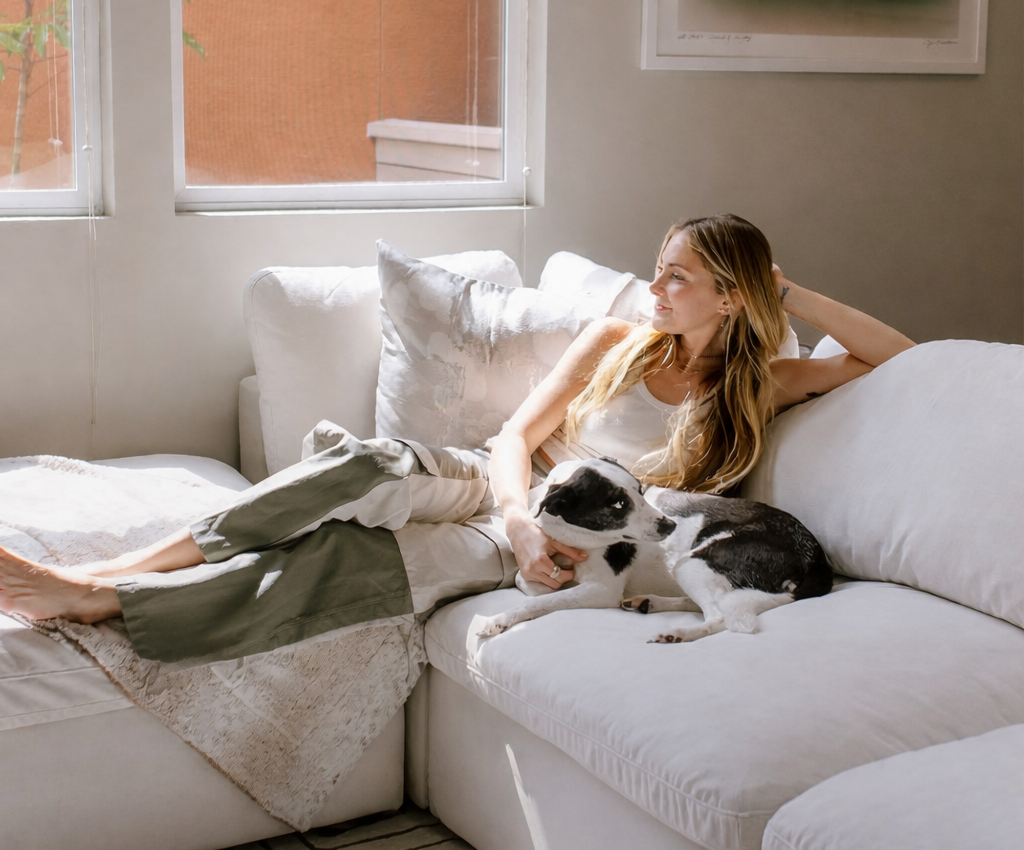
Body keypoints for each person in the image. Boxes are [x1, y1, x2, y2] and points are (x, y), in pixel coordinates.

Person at [0, 214, 914, 657]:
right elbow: (518, 434)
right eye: (657, 268)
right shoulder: (618, 340)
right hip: (502, 488)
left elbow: (901, 355)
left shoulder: (760, 384)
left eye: (677, 276)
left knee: (343, 567)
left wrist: (786, 292)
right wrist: (517, 521)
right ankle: (112, 570)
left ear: (728, 293)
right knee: (361, 467)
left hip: (587, 540)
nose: (656, 286)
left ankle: (100, 606)